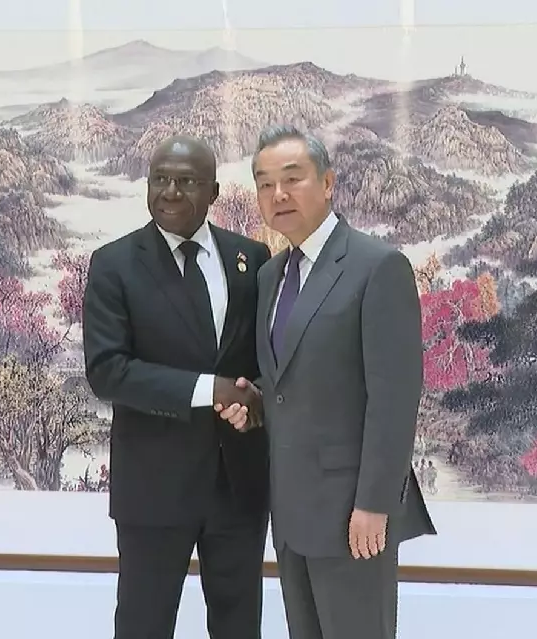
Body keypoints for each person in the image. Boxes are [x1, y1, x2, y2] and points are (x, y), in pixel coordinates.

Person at [216, 125, 436, 639]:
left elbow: (394, 398)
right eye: (265, 184)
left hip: (353, 514)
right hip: (291, 512)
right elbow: (288, 382)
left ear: (329, 183)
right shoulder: (270, 276)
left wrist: (375, 504)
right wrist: (254, 403)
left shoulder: (377, 266)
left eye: (293, 179)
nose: (278, 194)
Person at [83, 134, 272, 639]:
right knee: (143, 626)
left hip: (238, 485)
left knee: (240, 628)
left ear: (213, 192)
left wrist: (252, 397)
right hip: (154, 487)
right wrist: (211, 391)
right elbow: (107, 370)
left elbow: (268, 358)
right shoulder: (114, 265)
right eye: (160, 179)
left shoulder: (251, 259)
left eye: (186, 181)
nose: (170, 191)